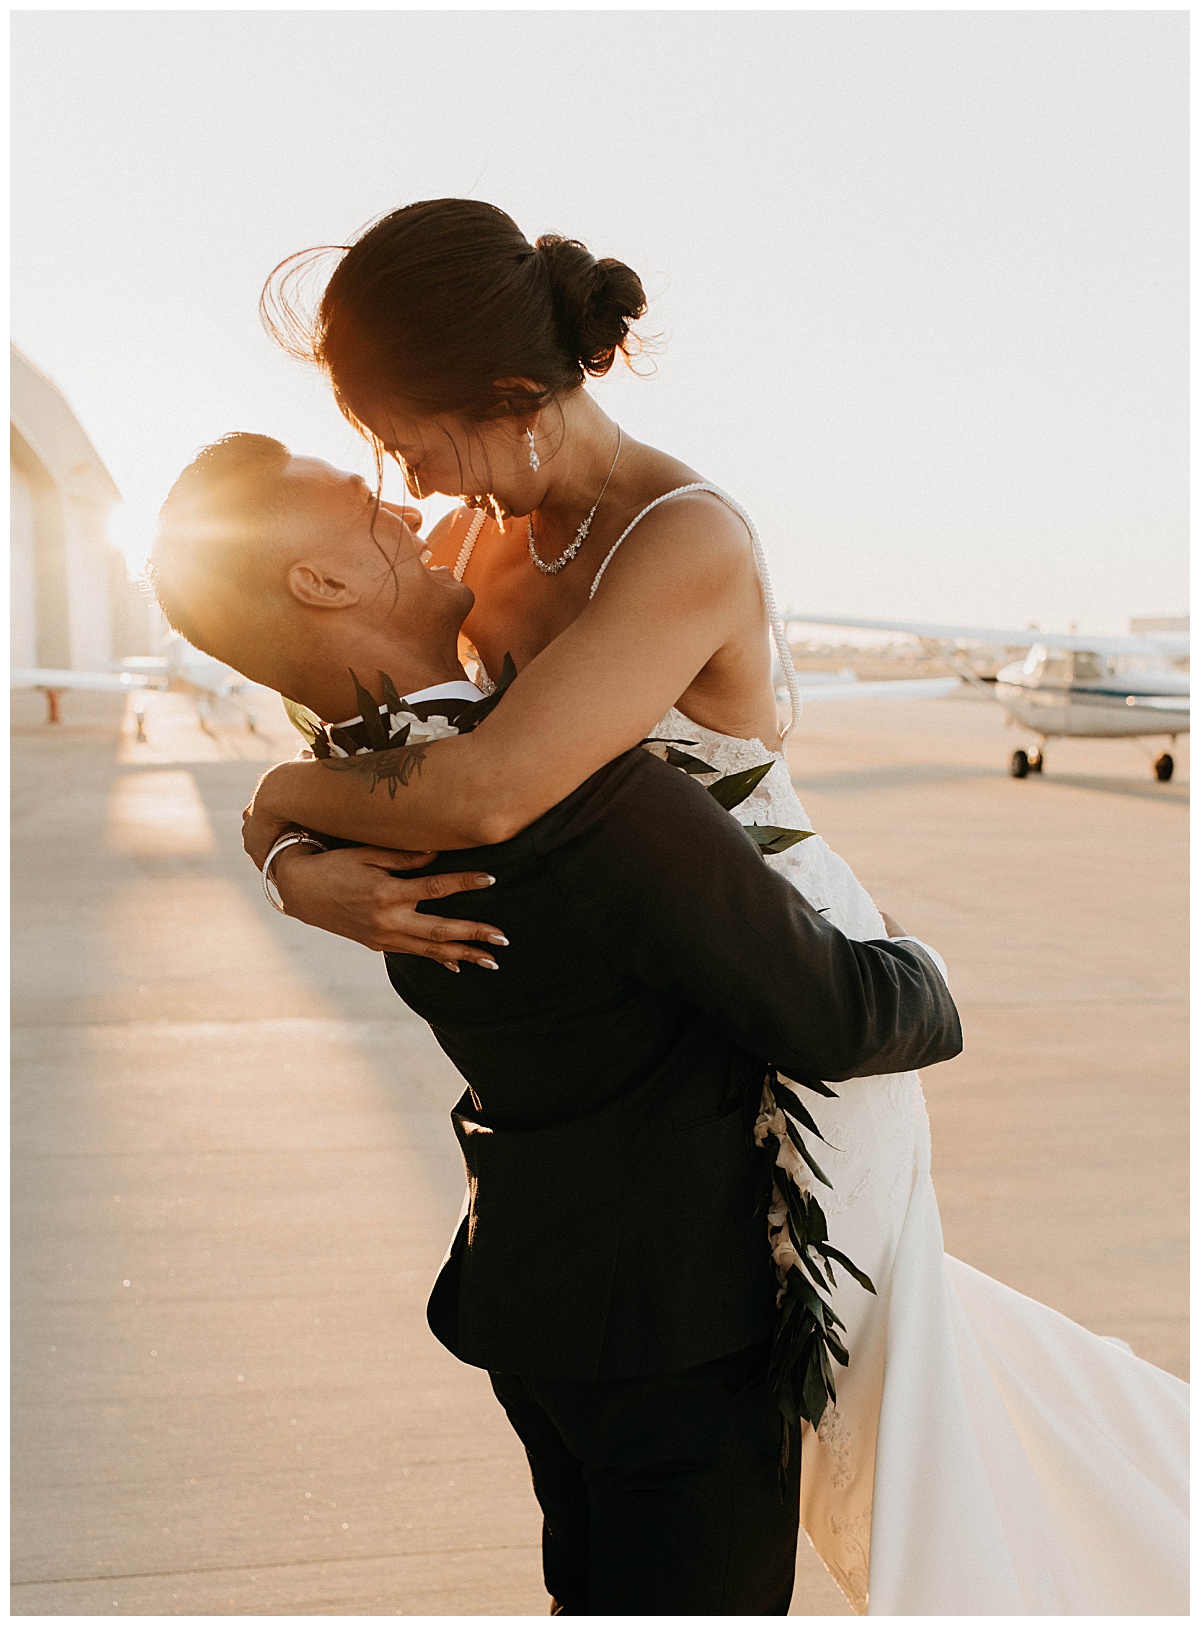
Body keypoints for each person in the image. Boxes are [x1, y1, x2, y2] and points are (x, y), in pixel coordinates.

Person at [241, 201, 1188, 1614]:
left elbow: (489, 788)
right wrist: (282, 844)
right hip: (645, 995)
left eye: (404, 431)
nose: (402, 472)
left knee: (880, 1406)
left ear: (507, 395)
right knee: (786, 1441)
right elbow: (387, 718)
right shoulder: (479, 540)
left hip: (789, 999)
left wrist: (273, 818)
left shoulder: (684, 542)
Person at [149, 433, 964, 1615]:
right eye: (363, 509)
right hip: (678, 1332)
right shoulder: (590, 798)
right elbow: (833, 1016)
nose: (414, 517)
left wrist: (276, 837)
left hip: (540, 1300)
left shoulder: (344, 800)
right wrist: (925, 964)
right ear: (317, 585)